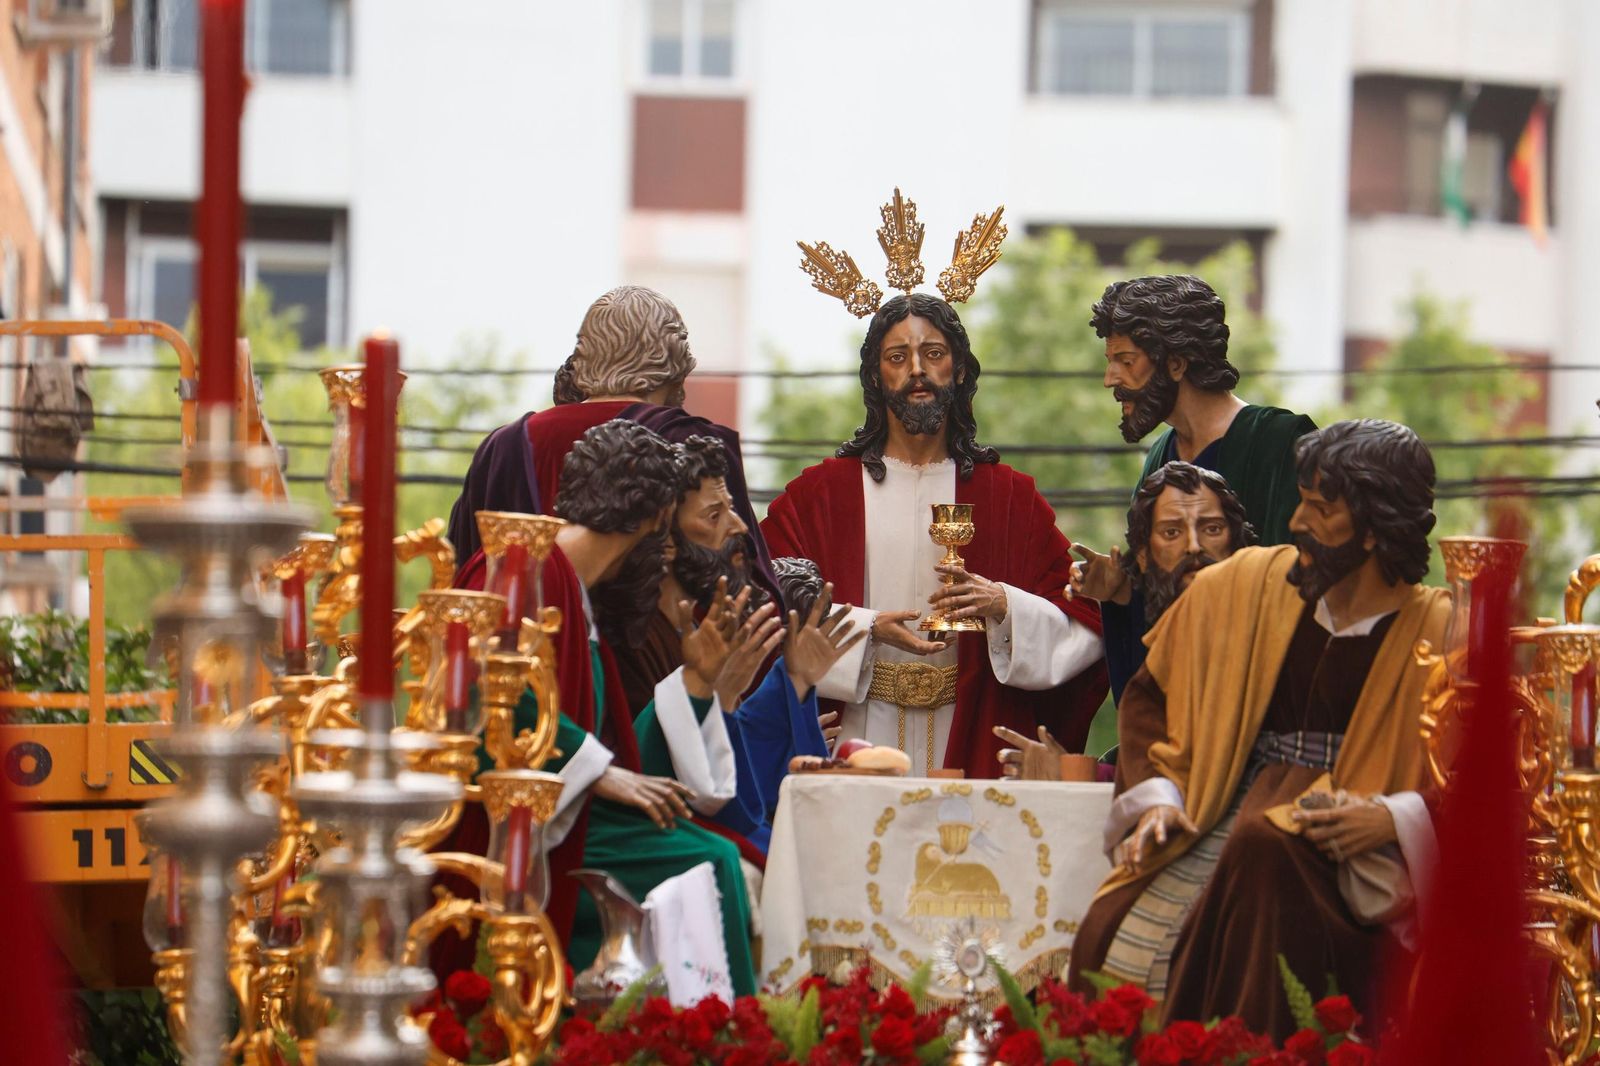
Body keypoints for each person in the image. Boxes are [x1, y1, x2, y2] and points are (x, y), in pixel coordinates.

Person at [1071, 419, 1449, 1041]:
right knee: (1111, 929)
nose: (1297, 522)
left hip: (1352, 858)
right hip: (1217, 800)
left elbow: (1489, 785)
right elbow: (1151, 696)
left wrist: (1396, 817)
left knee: (1269, 852)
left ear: (1377, 527)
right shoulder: (1246, 584)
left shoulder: (1440, 631)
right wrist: (1157, 797)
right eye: (1300, 500)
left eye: (1321, 510)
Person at [456, 418, 761, 995]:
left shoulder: (572, 586)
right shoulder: (527, 569)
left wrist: (697, 679)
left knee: (722, 855)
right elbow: (489, 695)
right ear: (651, 519)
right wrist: (601, 771)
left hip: (563, 807)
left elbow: (613, 742)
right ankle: (725, 1042)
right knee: (712, 864)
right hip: (518, 825)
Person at [762, 293, 1108, 777]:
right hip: (854, 731)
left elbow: (1085, 625)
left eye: (934, 353)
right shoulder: (820, 494)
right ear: (876, 377)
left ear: (959, 370)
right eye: (897, 357)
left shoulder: (1008, 498)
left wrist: (1005, 605)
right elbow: (763, 602)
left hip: (971, 735)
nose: (917, 370)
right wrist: (864, 628)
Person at [447, 285, 782, 608]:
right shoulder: (692, 442)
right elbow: (743, 582)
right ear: (673, 357)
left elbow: (462, 577)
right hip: (662, 660)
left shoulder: (504, 447)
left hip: (515, 648)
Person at [613, 436, 861, 852]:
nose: (740, 526)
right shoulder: (631, 634)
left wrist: (793, 683)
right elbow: (680, 784)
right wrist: (705, 691)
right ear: (667, 539)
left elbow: (736, 776)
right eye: (715, 514)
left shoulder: (700, 624)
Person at [1089, 274, 1316, 701]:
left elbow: (1302, 594)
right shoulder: (1161, 457)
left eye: (1125, 360)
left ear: (1176, 363)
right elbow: (1161, 617)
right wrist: (1121, 591)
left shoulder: (1278, 442)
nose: (1109, 378)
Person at [999, 461, 1255, 779]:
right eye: (1172, 532)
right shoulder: (1167, 630)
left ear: (1237, 541)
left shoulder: (1263, 627)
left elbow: (1201, 773)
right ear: (1144, 556)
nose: (1193, 546)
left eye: (1212, 529)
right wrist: (1121, 598)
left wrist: (1077, 775)